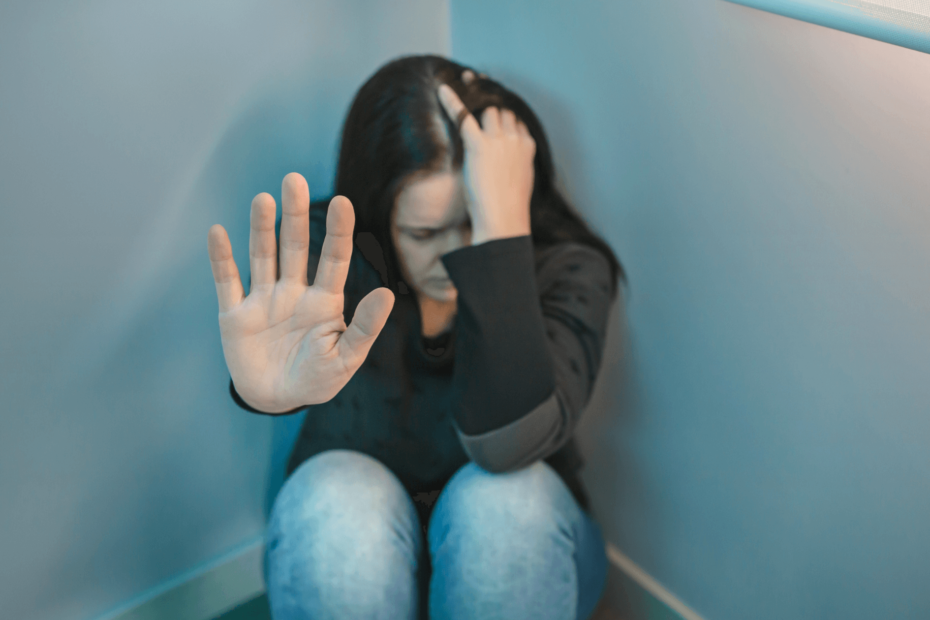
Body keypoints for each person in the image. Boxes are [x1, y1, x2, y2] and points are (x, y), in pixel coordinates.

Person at [207, 54, 627, 620]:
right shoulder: (332, 255)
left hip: (523, 563)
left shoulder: (569, 269)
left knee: (504, 503)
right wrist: (261, 388)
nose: (455, 257)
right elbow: (280, 356)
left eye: (474, 220)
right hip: (359, 566)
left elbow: (507, 444)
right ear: (382, 213)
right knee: (333, 495)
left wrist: (502, 231)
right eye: (426, 232)